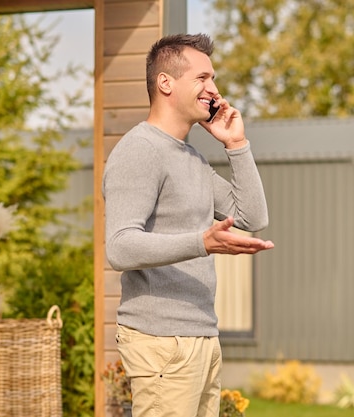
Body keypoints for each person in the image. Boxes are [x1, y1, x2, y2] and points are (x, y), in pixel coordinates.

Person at [102, 33, 274, 417]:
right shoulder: (139, 150)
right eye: (202, 78)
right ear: (166, 83)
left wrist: (236, 144)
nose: (213, 90)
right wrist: (202, 242)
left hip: (201, 336)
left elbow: (252, 217)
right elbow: (120, 247)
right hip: (162, 342)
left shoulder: (191, 158)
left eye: (212, 79)